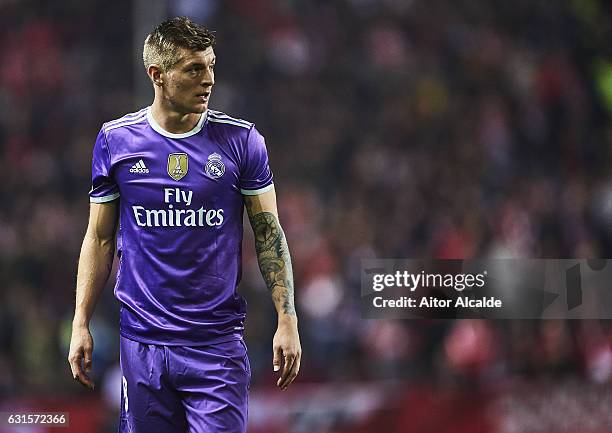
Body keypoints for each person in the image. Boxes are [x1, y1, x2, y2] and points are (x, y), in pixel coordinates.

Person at [67, 16, 301, 433]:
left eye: (211, 65)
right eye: (194, 69)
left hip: (216, 347)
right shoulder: (116, 142)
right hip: (142, 345)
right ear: (157, 75)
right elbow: (100, 239)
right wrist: (81, 321)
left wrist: (288, 318)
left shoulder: (242, 142)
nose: (208, 79)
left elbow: (268, 233)